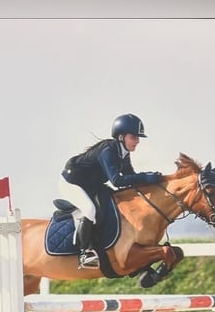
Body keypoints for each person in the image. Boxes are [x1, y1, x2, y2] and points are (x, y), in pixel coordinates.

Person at [60, 113, 162, 268]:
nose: (137, 141)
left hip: (91, 185)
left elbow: (130, 176)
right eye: (134, 137)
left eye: (137, 137)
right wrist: (145, 177)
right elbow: (117, 181)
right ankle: (84, 253)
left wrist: (151, 181)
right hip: (71, 183)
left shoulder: (123, 153)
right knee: (90, 210)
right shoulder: (108, 150)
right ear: (121, 137)